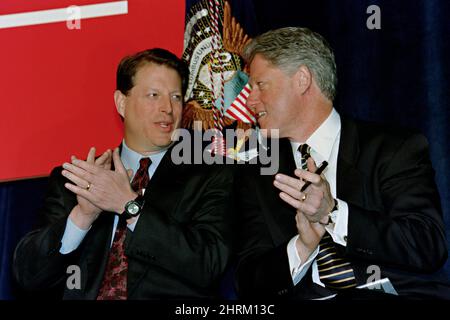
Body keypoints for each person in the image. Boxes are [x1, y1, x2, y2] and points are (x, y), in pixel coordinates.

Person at [234, 27, 449, 299]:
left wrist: (333, 214)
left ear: (302, 80)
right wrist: (302, 246)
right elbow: (249, 282)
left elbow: (426, 245)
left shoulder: (393, 149)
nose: (249, 100)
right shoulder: (257, 172)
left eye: (259, 85)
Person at [13, 48, 234, 299]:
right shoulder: (78, 178)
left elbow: (209, 264)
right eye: (153, 95)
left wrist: (130, 206)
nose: (168, 109)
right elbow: (28, 276)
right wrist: (82, 217)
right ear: (121, 102)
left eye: (175, 97)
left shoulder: (210, 175)